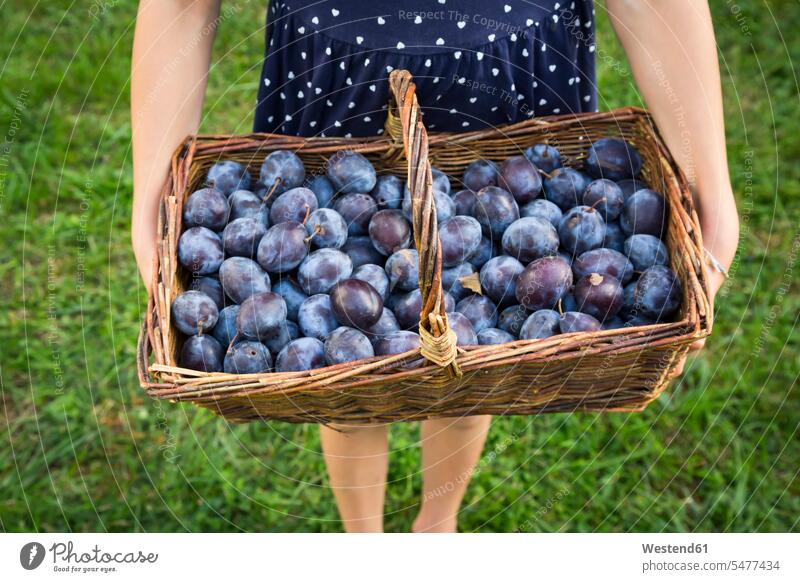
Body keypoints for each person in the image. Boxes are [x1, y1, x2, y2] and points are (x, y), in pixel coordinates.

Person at [131, 0, 739, 532]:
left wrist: (710, 177)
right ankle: (364, 542)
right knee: (345, 375)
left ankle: (435, 526)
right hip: (341, 55)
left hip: (509, 58)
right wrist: (150, 200)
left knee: (475, 345)